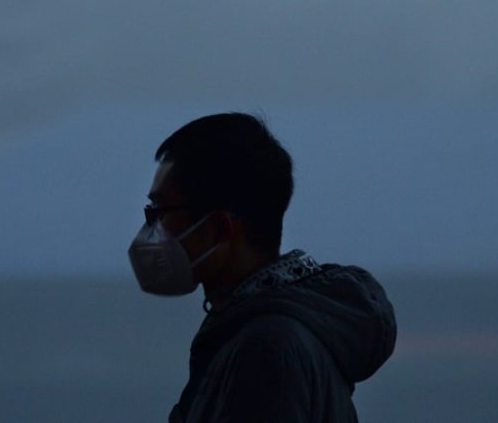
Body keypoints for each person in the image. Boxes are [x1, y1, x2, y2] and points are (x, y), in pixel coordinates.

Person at [128, 112, 397, 422]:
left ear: (219, 227)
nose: (150, 231)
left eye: (160, 212)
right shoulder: (260, 327)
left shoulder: (267, 347)